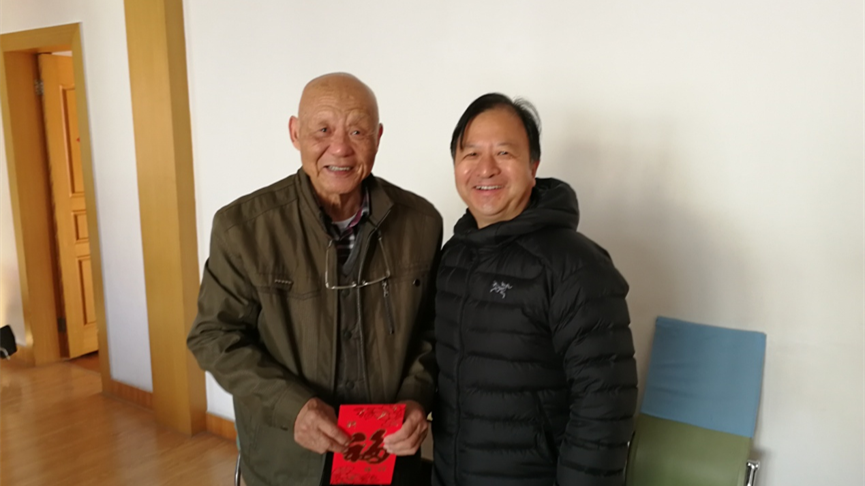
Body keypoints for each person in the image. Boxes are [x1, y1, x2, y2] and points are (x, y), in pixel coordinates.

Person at [187, 73, 442, 486]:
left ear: (377, 138)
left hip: (388, 459)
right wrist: (292, 408)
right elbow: (213, 337)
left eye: (357, 130)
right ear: (295, 133)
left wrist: (417, 396)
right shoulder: (243, 228)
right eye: (323, 129)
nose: (340, 148)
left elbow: (431, 331)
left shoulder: (422, 223)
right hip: (286, 462)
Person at [432, 94, 637, 486]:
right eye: (471, 153)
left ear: (533, 166)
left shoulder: (576, 266)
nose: (486, 168)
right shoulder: (453, 256)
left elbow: (605, 409)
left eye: (504, 153)